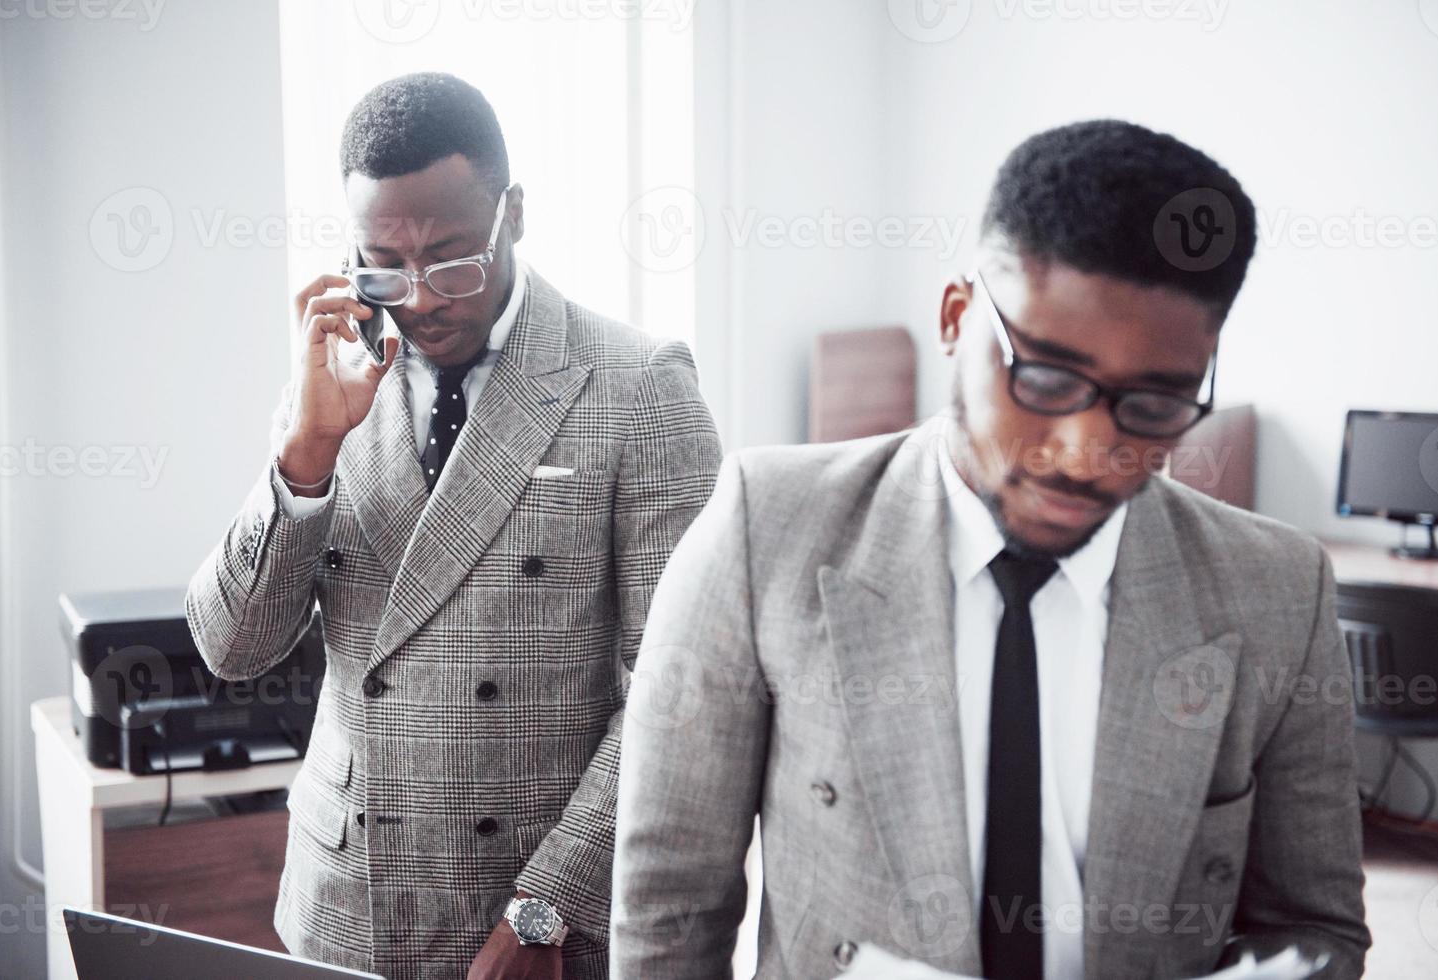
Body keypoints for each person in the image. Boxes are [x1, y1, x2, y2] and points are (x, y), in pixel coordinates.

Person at [611, 120, 1369, 979]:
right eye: (1042, 378)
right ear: (955, 317)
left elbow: (1316, 930)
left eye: (1153, 405)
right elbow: (669, 903)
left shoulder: (1276, 589)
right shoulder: (764, 529)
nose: (1084, 452)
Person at [186, 72, 721, 980]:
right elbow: (232, 650)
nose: (423, 298)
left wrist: (547, 909)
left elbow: (681, 695)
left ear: (514, 212)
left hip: (532, 907)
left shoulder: (638, 387)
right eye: (383, 265)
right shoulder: (332, 386)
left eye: (453, 256)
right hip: (348, 902)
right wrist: (305, 454)